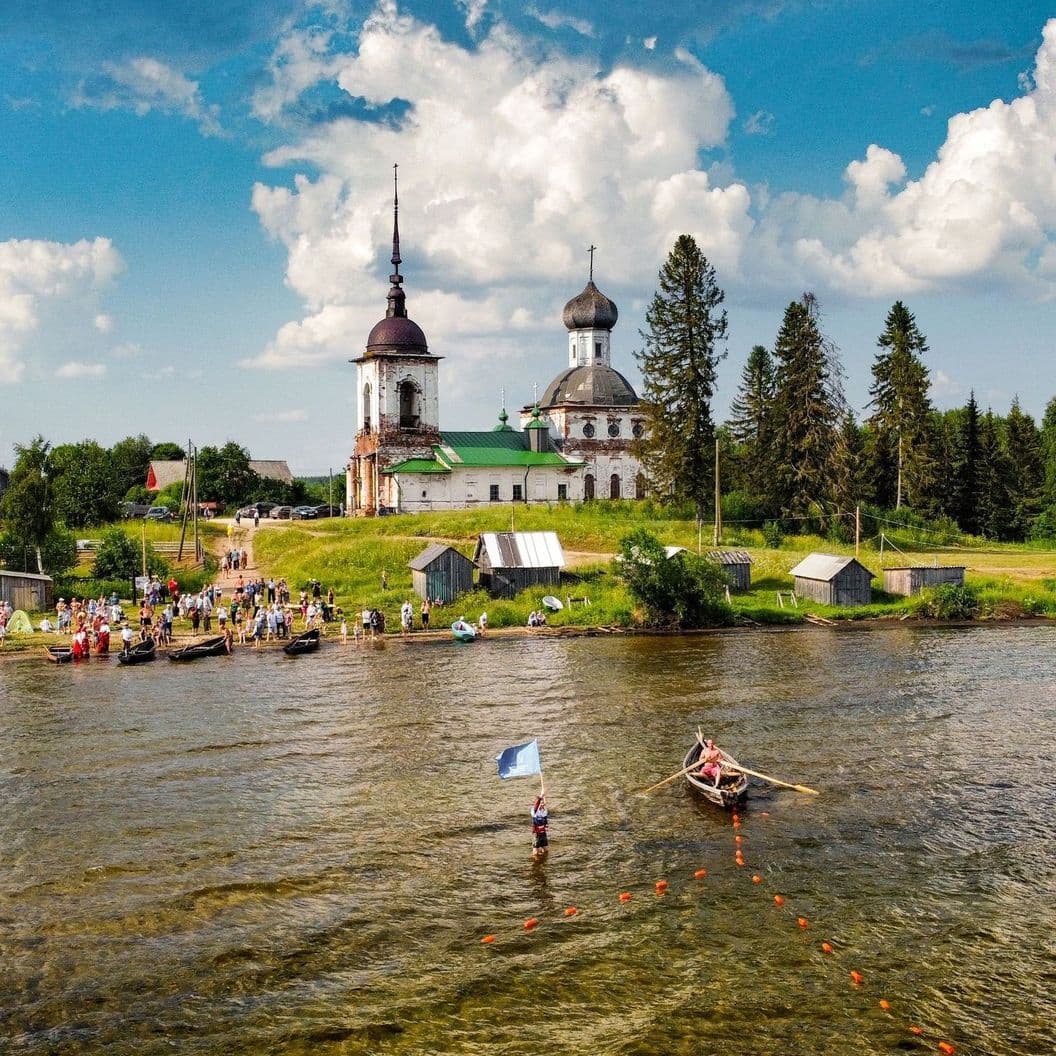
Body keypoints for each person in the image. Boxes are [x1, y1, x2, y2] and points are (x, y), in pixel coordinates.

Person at [531, 794, 549, 859]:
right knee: (536, 853)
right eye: (540, 803)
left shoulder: (544, 811)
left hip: (543, 833)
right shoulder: (534, 811)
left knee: (546, 851)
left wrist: (544, 798)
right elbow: (537, 804)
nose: (542, 804)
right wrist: (540, 797)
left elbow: (545, 803)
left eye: (543, 803)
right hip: (536, 833)